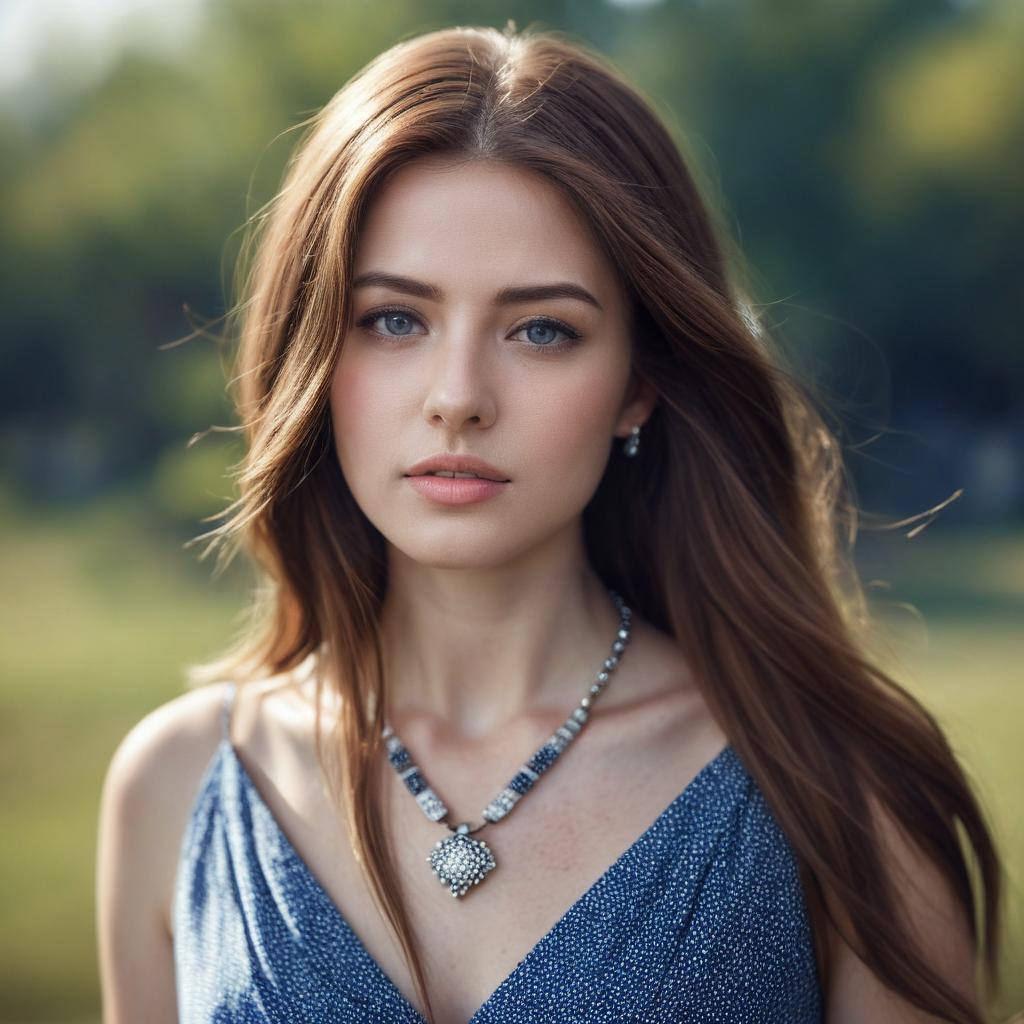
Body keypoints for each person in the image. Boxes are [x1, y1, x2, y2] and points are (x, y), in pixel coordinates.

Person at [96, 21, 1004, 1024]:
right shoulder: (174, 784)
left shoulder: (840, 791)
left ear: (638, 383)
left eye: (541, 330)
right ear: (311, 350)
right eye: (394, 318)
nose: (457, 397)